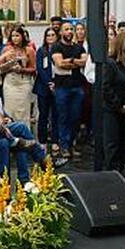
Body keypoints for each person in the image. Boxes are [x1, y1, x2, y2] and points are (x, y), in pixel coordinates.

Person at [51, 22, 87, 160]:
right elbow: (59, 63)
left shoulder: (79, 47)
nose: (70, 31)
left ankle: (72, 143)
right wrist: (74, 62)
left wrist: (70, 61)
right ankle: (64, 146)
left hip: (77, 86)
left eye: (71, 29)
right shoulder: (56, 46)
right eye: (66, 29)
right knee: (63, 117)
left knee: (76, 117)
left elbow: (84, 61)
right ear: (60, 32)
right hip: (62, 87)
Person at [101, 33, 125, 171]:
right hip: (112, 110)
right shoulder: (110, 64)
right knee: (112, 145)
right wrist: (119, 106)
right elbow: (106, 88)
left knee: (122, 144)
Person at [0, 26, 35, 125]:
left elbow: (34, 68)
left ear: (22, 36)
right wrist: (9, 67)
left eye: (17, 35)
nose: (15, 38)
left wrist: (22, 69)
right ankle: (12, 136)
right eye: (13, 36)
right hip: (10, 82)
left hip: (24, 82)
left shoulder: (29, 50)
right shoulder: (6, 49)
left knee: (23, 112)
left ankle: (25, 137)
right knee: (10, 110)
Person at [34, 28, 59, 154]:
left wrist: (55, 84)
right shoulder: (41, 51)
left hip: (58, 86)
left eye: (53, 35)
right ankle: (42, 141)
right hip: (43, 87)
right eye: (48, 35)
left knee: (56, 115)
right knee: (43, 115)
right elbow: (40, 68)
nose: (50, 37)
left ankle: (55, 141)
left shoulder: (60, 50)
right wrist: (49, 82)